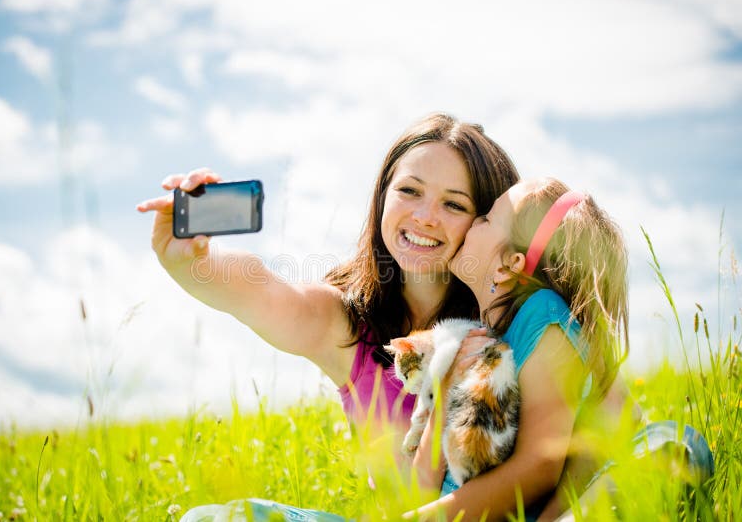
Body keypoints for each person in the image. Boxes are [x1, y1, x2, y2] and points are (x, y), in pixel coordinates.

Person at [136, 113, 521, 519]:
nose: (425, 216)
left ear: (487, 224)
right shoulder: (349, 323)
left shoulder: (508, 321)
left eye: (453, 203)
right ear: (382, 197)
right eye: (410, 190)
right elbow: (265, 293)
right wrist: (191, 263)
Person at [407, 178, 713, 521]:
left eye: (488, 219)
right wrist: (444, 391)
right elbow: (417, 489)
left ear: (510, 264)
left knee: (676, 442)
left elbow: (540, 465)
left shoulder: (543, 315)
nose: (475, 220)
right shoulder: (476, 338)